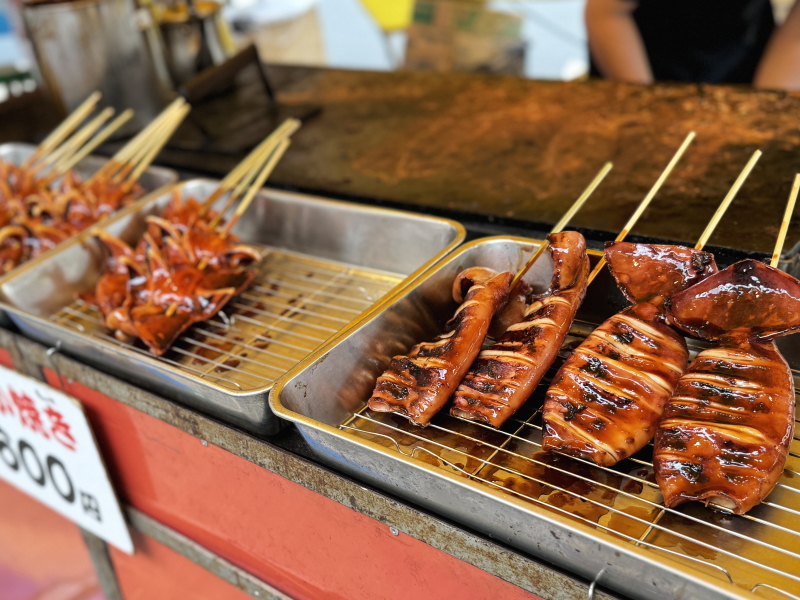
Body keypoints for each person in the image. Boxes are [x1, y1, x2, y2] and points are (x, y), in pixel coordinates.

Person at [585, 0, 800, 90]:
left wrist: (765, 103)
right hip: (643, 58)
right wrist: (646, 107)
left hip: (745, 47)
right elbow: (607, 12)